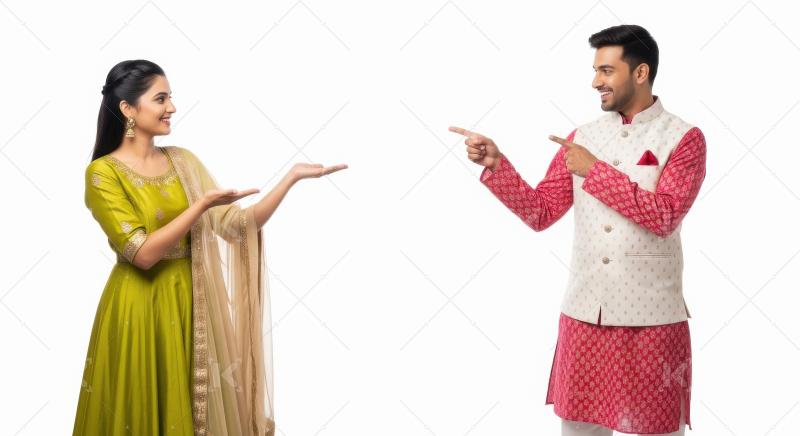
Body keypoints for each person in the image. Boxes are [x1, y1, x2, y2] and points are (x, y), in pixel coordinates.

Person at [450, 24, 706, 435]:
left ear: (640, 73)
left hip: (653, 320)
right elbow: (541, 211)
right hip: (585, 314)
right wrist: (498, 166)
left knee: (657, 429)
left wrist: (593, 170)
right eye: (595, 70)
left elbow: (665, 216)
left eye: (606, 70)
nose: (595, 81)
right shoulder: (582, 137)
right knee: (579, 429)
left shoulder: (684, 138)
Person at [73, 59, 347, 435]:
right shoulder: (103, 172)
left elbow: (237, 225)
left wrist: (291, 179)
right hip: (138, 308)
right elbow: (142, 253)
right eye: (161, 98)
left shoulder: (182, 160)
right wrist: (200, 206)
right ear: (128, 109)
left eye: (171, 98)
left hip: (192, 302)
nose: (171, 107)